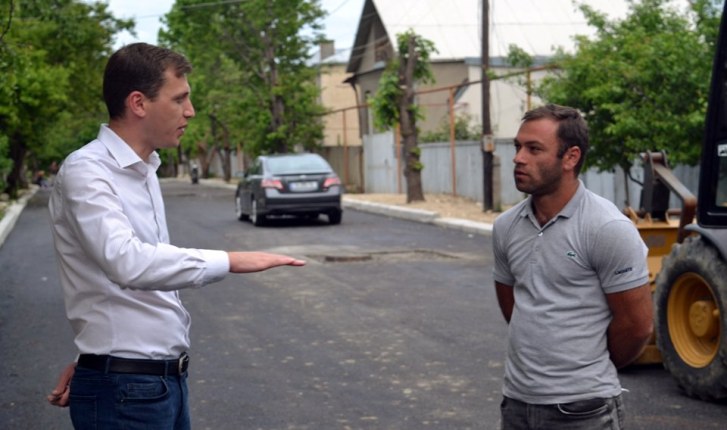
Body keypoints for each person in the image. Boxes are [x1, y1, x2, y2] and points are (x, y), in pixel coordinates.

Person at [45, 43, 305, 429]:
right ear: (138, 103)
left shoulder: (145, 168)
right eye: (179, 99)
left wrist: (93, 361)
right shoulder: (88, 171)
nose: (190, 111)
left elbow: (114, 290)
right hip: (127, 392)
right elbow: (126, 262)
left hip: (154, 383)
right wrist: (230, 261)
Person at [492, 104, 653, 429]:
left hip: (583, 410)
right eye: (518, 147)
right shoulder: (506, 226)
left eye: (534, 149)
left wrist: (584, 369)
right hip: (517, 404)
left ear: (570, 157)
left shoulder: (607, 228)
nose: (518, 158)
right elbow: (515, 307)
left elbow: (637, 327)